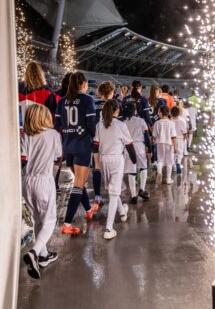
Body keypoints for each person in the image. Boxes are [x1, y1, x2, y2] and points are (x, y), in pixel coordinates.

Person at [21, 104, 62, 279]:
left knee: (38, 219)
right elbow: (59, 158)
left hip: (26, 181)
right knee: (50, 220)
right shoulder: (53, 135)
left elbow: (22, 160)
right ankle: (35, 252)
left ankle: (44, 256)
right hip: (44, 180)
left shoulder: (25, 136)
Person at [54, 72, 96, 235]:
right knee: (78, 183)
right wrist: (93, 139)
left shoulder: (62, 101)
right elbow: (92, 124)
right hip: (82, 146)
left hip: (67, 146)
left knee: (80, 181)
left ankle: (88, 209)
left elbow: (57, 124)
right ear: (83, 84)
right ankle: (67, 223)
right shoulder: (87, 100)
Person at [93, 100, 137, 240]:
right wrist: (134, 160)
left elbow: (95, 146)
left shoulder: (99, 125)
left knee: (113, 190)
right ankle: (108, 228)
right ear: (117, 111)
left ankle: (122, 213)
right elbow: (129, 145)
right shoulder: (120, 124)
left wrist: (97, 164)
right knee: (113, 194)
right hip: (116, 159)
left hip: (103, 159)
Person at [124, 102, 152, 204]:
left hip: (128, 147)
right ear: (135, 110)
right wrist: (149, 149)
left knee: (131, 171)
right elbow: (146, 137)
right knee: (143, 167)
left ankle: (133, 195)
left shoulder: (123, 122)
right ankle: (142, 189)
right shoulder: (141, 121)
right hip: (139, 146)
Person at [19, 61, 56, 127]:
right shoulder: (47, 90)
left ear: (26, 73)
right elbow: (51, 111)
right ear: (40, 73)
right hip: (41, 125)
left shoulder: (18, 88)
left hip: (23, 125)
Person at [153, 105, 177, 185]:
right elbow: (173, 136)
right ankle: (168, 179)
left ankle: (159, 172)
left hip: (160, 143)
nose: (158, 113)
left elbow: (154, 135)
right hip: (169, 143)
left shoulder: (157, 123)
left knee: (160, 160)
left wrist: (154, 141)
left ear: (161, 113)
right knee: (169, 161)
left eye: (159, 111)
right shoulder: (171, 123)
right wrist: (175, 146)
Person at [171, 106, 187, 174]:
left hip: (172, 139)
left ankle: (174, 166)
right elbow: (185, 133)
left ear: (171, 113)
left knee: (172, 153)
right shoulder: (182, 121)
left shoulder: (170, 121)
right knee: (180, 153)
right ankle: (178, 163)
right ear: (179, 113)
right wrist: (185, 138)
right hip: (180, 139)